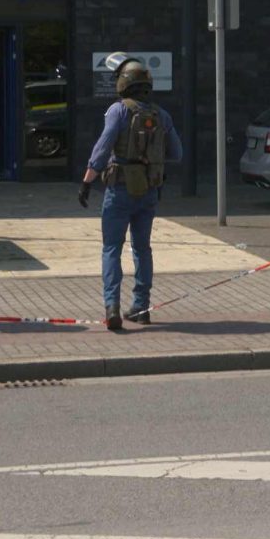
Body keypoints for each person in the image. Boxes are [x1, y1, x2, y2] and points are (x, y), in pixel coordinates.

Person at [78, 53, 183, 331]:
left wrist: (88, 180)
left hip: (119, 188)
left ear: (123, 83)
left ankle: (111, 306)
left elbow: (102, 147)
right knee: (142, 248)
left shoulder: (118, 110)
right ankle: (142, 307)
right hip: (149, 190)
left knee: (112, 248)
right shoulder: (162, 115)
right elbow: (177, 153)